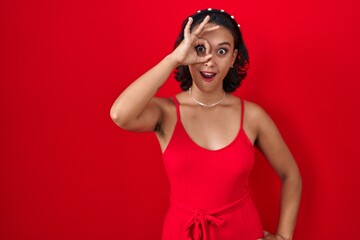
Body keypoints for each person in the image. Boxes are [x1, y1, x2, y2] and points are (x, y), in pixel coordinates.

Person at [110, 8, 302, 240]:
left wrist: (284, 236)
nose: (209, 60)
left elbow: (291, 174)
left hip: (243, 232)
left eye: (222, 51)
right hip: (182, 233)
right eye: (200, 49)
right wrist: (173, 60)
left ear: (233, 58)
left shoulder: (253, 116)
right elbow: (120, 115)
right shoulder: (166, 113)